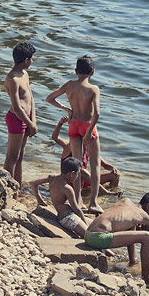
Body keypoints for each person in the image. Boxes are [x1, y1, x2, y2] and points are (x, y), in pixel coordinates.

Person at [46, 56, 103, 213]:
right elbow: (97, 113)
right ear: (92, 72)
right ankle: (93, 202)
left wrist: (67, 109)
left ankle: (77, 200)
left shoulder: (69, 85)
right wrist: (90, 131)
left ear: (76, 71)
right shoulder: (93, 89)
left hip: (74, 125)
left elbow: (49, 98)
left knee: (77, 164)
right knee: (95, 165)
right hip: (87, 126)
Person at [51, 115, 120, 195]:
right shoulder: (68, 146)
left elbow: (104, 164)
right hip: (71, 180)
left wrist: (114, 169)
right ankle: (105, 192)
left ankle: (108, 196)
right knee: (82, 171)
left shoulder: (88, 149)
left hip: (85, 180)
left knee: (114, 176)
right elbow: (54, 137)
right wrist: (60, 123)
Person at [29, 157, 92, 238]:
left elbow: (32, 183)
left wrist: (39, 200)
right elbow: (77, 209)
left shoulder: (51, 178)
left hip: (63, 216)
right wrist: (85, 224)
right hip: (69, 218)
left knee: (96, 224)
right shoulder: (67, 188)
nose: (78, 176)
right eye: (77, 173)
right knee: (89, 236)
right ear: (72, 174)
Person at [3, 41, 37, 185]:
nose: (32, 61)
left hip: (26, 118)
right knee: (12, 156)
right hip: (16, 119)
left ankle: (18, 185)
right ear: (26, 60)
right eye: (32, 58)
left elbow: (31, 98)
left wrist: (33, 120)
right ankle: (7, 185)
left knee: (20, 155)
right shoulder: (13, 79)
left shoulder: (25, 74)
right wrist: (30, 123)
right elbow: (17, 107)